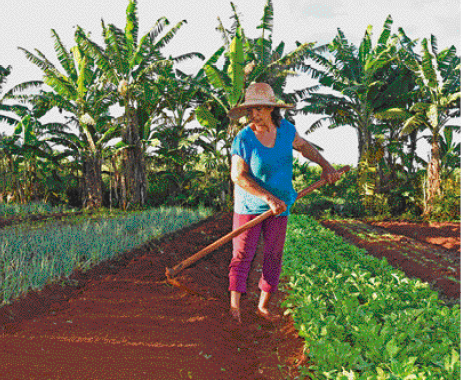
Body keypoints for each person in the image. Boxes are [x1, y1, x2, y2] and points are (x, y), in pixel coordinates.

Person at [227, 82, 341, 324]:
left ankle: (263, 306)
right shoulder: (244, 138)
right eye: (251, 110)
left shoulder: (287, 131)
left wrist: (326, 165)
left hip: (281, 207)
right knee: (242, 254)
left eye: (259, 108)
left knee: (273, 254)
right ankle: (234, 307)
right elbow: (238, 176)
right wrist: (267, 198)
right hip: (250, 207)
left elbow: (304, 148)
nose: (254, 114)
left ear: (271, 109)